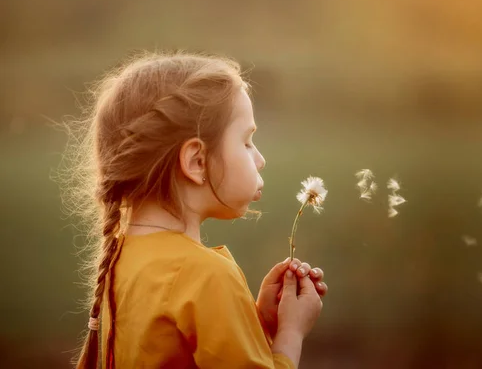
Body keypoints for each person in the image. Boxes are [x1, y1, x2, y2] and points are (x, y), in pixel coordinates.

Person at [62, 51, 329, 368]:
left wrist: (254, 324)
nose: (260, 159)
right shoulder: (206, 278)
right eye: (246, 142)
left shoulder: (123, 259)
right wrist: (290, 333)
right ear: (196, 162)